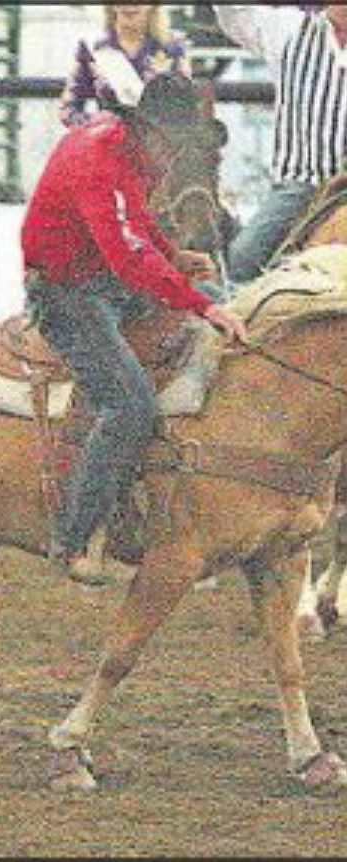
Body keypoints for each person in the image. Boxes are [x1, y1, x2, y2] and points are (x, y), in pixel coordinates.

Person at [20, 72, 248, 586]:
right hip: (67, 293)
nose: (173, 156)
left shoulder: (125, 152)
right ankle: (73, 535)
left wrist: (173, 257)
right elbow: (125, 253)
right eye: (173, 143)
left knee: (192, 331)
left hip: (97, 280)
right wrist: (199, 304)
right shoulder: (98, 160)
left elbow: (135, 224)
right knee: (130, 403)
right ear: (150, 132)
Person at [213, 3, 347, 285]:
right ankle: (234, 324)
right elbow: (232, 13)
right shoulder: (288, 28)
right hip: (303, 186)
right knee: (242, 260)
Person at [59, 5, 191, 129]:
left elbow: (187, 109)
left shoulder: (171, 47)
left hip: (156, 148)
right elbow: (68, 109)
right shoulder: (92, 48)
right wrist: (94, 122)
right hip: (107, 145)